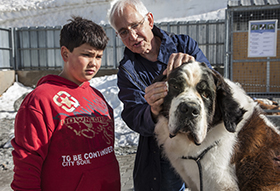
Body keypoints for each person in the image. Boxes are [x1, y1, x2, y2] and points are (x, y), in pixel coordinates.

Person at [108, 0, 212, 190]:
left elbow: (214, 88)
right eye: (123, 31)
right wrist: (153, 111)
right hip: (163, 153)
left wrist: (196, 70)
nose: (132, 35)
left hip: (201, 142)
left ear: (149, 20)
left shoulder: (184, 46)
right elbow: (134, 116)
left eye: (135, 25)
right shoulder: (128, 70)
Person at [11, 16, 121, 191]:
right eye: (86, 54)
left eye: (99, 56)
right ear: (65, 53)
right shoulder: (41, 100)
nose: (94, 63)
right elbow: (27, 163)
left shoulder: (98, 97)